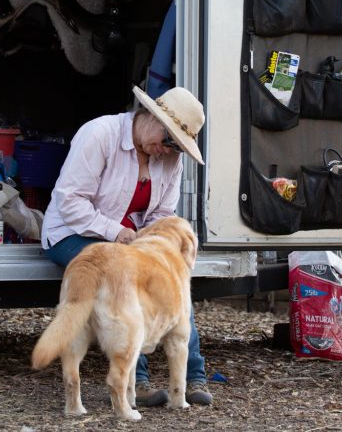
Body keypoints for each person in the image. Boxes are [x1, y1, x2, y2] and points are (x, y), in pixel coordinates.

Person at [40, 85, 213, 407]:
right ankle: (137, 380)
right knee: (128, 284)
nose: (170, 150)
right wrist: (117, 233)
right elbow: (70, 201)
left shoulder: (170, 157)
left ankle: (193, 376)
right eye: (169, 140)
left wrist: (158, 248)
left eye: (178, 145)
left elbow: (162, 213)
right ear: (152, 118)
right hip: (73, 231)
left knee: (173, 284)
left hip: (130, 240)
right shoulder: (99, 134)